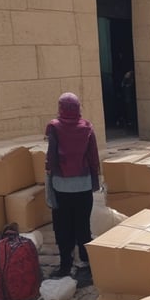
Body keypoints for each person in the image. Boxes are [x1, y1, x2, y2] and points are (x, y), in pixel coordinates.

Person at [45, 92, 100, 280]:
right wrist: (94, 181)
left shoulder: (54, 127)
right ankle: (86, 265)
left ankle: (65, 266)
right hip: (83, 185)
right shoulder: (87, 127)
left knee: (62, 227)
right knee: (83, 227)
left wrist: (50, 171)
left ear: (61, 108)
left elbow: (51, 156)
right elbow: (93, 157)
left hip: (61, 186)